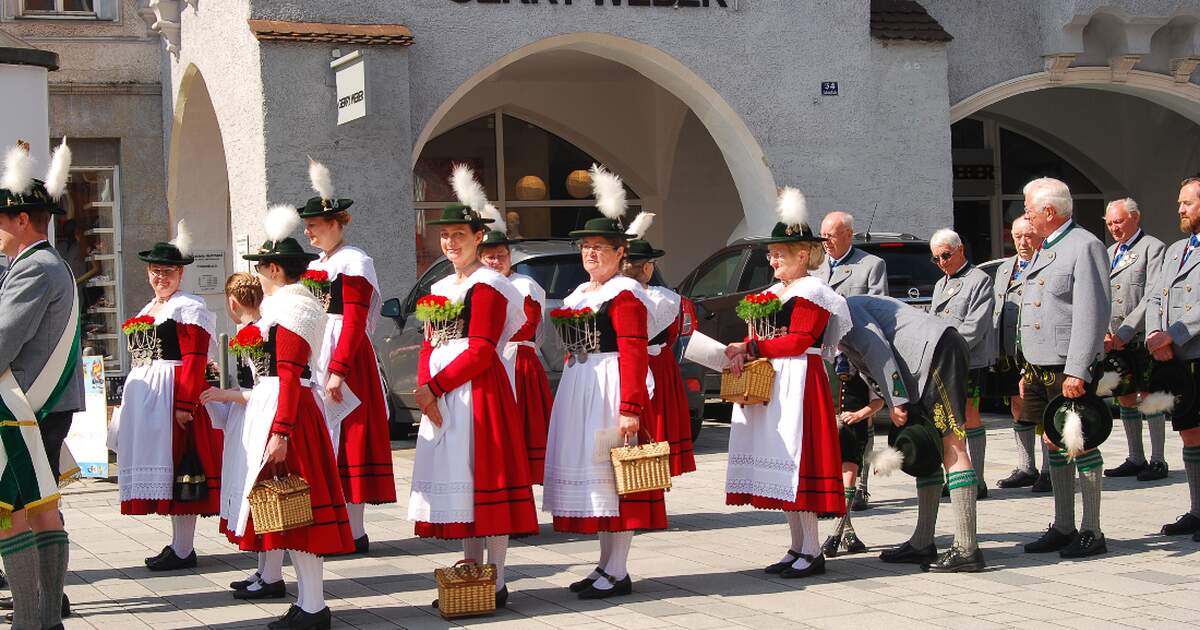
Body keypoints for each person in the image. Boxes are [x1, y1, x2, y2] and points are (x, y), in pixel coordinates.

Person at [410, 166, 537, 609]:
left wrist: (436, 386)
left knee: (486, 479)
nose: (450, 242)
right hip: (445, 394)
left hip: (478, 393)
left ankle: (497, 579)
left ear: (478, 236)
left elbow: (482, 350)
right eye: (445, 235)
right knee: (460, 483)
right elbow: (429, 341)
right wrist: (425, 386)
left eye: (459, 234)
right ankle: (471, 573)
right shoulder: (442, 286)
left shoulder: (490, 286)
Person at [543, 164, 664, 599]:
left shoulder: (625, 294)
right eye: (586, 248)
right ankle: (604, 565)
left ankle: (617, 570)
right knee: (599, 483)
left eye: (600, 248)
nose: (591, 254)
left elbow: (633, 351)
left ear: (619, 254)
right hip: (582, 385)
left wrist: (631, 408)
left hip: (611, 386)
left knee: (618, 481)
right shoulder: (582, 294)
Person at [231, 205, 353, 629]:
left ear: (275, 270)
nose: (258, 277)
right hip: (291, 411)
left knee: (299, 513)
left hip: (292, 415)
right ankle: (309, 603)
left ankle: (315, 607)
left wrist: (280, 430)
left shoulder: (291, 309)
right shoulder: (286, 306)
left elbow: (289, 374)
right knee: (293, 514)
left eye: (261, 268)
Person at [724, 188, 851, 578]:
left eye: (781, 251)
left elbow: (800, 339)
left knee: (798, 464)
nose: (773, 258)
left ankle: (812, 550)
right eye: (772, 252)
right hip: (775, 381)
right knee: (781, 465)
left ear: (803, 254)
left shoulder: (813, 292)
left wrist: (752, 344)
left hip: (800, 380)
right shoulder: (775, 292)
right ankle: (797, 546)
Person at [0, 139, 83, 630]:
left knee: (13, 511)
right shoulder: (48, 263)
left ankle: (32, 621)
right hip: (44, 406)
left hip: (24, 409)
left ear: (23, 221)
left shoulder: (32, 268)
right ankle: (46, 616)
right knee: (43, 508)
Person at [839, 295, 985, 572]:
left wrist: (896, 401)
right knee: (926, 442)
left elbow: (877, 350)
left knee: (952, 443)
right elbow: (866, 364)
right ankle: (922, 542)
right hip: (917, 366)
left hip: (938, 353)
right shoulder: (836, 318)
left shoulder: (842, 312)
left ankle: (967, 548)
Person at [110, 219, 223, 571]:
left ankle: (184, 548)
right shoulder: (151, 308)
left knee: (181, 472)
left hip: (172, 396)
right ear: (147, 272)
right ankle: (179, 545)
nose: (162, 277)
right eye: (156, 271)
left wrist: (185, 404)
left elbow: (194, 358)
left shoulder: (188, 306)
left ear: (180, 273)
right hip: (149, 399)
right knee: (170, 476)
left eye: (169, 271)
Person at [300, 159, 395, 555]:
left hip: (346, 356)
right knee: (327, 439)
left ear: (337, 223)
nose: (308, 231)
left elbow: (354, 321)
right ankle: (336, 525)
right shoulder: (313, 266)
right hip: (320, 350)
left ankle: (355, 532)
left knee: (350, 438)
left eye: (315, 225)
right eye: (307, 226)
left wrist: (338, 370)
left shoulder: (355, 261)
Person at [1018, 177, 1111, 558]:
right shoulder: (1044, 250)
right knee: (1053, 442)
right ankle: (1063, 525)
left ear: (1049, 212)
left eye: (1028, 209)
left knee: (1080, 442)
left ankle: (1092, 530)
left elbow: (1092, 311)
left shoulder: (1084, 245)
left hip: (1067, 367)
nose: (1024, 216)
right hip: (1040, 366)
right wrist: (1025, 366)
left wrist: (1079, 369)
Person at [199, 273, 292, 601]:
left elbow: (265, 390)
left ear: (232, 303)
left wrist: (227, 396)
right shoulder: (252, 331)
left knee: (262, 495)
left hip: (258, 419)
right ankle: (265, 569)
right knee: (255, 496)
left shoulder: (261, 332)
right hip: (249, 419)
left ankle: (272, 575)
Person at [815, 210, 888, 511]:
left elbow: (877, 309)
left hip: (856, 352)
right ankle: (835, 482)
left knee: (861, 418)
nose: (826, 242)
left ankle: (861, 486)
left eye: (831, 236)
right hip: (825, 354)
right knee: (831, 420)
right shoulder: (817, 267)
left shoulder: (870, 265)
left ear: (848, 234)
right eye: (823, 236)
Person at [1146, 176, 1200, 541]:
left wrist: (1174, 334)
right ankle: (1197, 510)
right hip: (1175, 359)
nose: (1180, 209)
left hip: (1194, 351)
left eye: (1187, 203)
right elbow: (1154, 297)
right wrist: (1153, 335)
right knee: (1190, 434)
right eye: (1180, 203)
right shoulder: (1176, 249)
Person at [478, 216, 551, 484]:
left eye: (501, 256)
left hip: (516, 364)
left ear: (510, 257)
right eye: (489, 257)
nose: (496, 261)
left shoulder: (524, 286)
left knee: (520, 431)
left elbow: (527, 326)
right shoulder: (475, 284)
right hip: (486, 361)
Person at [622, 212, 696, 476]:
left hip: (623, 365)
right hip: (657, 364)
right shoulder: (665, 298)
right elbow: (674, 334)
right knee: (657, 425)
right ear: (647, 268)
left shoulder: (613, 296)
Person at [1102, 198, 1168, 482]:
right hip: (1115, 339)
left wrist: (1126, 332)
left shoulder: (1153, 248)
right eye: (1110, 223)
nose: (1114, 228)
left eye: (1119, 222)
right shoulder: (1109, 252)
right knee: (1125, 397)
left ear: (1135, 218)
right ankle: (1135, 457)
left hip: (1139, 337)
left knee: (1148, 397)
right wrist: (1105, 330)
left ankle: (1157, 460)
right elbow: (1102, 295)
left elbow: (1152, 295)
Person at [929, 229, 995, 498]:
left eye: (946, 256)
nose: (942, 262)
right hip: (943, 360)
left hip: (968, 359)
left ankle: (976, 479)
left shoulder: (978, 280)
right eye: (936, 259)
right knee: (947, 418)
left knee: (968, 415)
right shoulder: (940, 283)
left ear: (960, 251)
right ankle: (955, 474)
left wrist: (949, 351)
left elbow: (975, 326)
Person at [991, 218, 1050, 491]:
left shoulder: (1047, 264)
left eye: (1028, 236)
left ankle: (1050, 470)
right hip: (1009, 351)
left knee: (1041, 408)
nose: (1022, 242)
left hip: (1037, 349)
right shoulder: (1005, 267)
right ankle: (1027, 466)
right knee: (1016, 405)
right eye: (1017, 236)